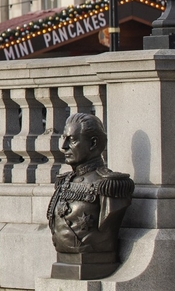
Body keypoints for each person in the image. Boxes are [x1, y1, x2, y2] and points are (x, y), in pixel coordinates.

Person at [47, 113, 135, 278]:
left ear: (93, 143)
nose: (63, 146)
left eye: (72, 140)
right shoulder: (64, 182)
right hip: (66, 262)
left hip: (95, 262)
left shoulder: (110, 186)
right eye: (64, 138)